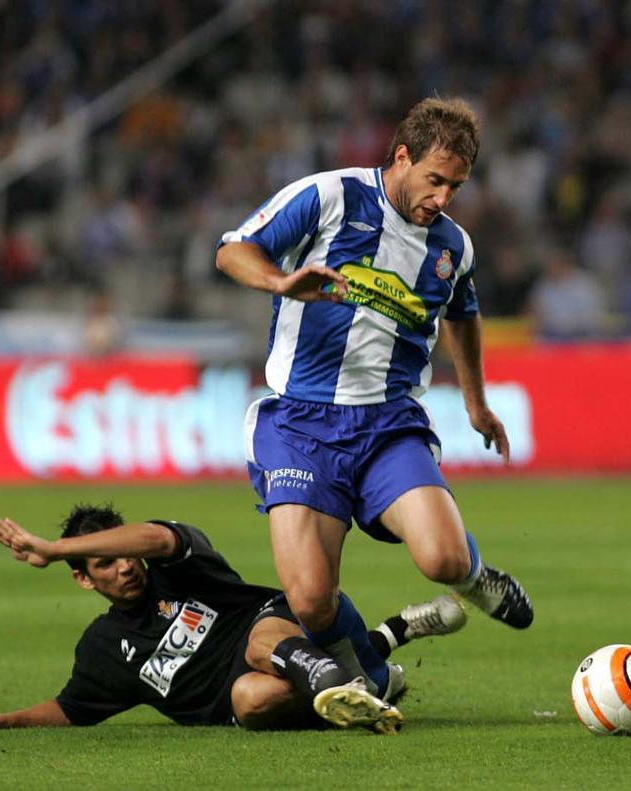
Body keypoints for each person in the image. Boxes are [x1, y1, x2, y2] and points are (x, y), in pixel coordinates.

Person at [214, 97, 533, 697]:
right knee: (310, 600)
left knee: (442, 559)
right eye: (435, 180)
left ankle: (473, 577)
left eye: (456, 186)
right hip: (300, 423)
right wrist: (282, 281)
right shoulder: (329, 196)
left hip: (389, 423)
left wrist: (475, 401)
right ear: (403, 156)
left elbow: (463, 314)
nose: (442, 198)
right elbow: (233, 249)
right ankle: (376, 674)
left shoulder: (453, 247)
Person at [0, 504, 467, 735]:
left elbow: (158, 536)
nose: (125, 567)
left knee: (261, 646)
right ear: (84, 580)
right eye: (104, 565)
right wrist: (1, 721)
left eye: (121, 552)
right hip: (238, 698)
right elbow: (71, 710)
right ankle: (374, 666)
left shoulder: (175, 564)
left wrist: (57, 545)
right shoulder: (103, 647)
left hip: (266, 623)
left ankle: (362, 671)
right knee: (252, 700)